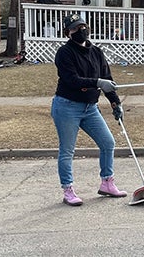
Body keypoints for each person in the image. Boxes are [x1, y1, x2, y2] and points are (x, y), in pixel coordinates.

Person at [51, 13, 127, 206]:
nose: (81, 31)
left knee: (108, 142)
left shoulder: (96, 52)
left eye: (83, 26)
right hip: (67, 106)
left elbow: (107, 79)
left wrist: (115, 103)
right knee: (67, 150)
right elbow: (72, 80)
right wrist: (97, 82)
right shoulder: (64, 53)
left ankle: (107, 183)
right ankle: (68, 190)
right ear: (68, 33)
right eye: (75, 29)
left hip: (90, 107)